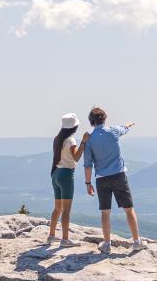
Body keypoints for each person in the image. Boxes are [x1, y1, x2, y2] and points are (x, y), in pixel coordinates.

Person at [80, 106, 141, 254]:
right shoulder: (114, 131)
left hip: (102, 179)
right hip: (119, 175)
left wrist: (88, 183)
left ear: (91, 121)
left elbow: (87, 165)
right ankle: (136, 242)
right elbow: (124, 128)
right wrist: (130, 124)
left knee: (105, 212)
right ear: (104, 118)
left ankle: (107, 244)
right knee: (129, 209)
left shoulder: (89, 139)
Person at [48, 112, 87, 246]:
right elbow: (76, 157)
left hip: (56, 173)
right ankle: (65, 239)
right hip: (66, 175)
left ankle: (51, 236)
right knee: (66, 210)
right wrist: (83, 143)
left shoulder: (57, 139)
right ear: (74, 127)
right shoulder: (71, 140)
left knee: (57, 208)